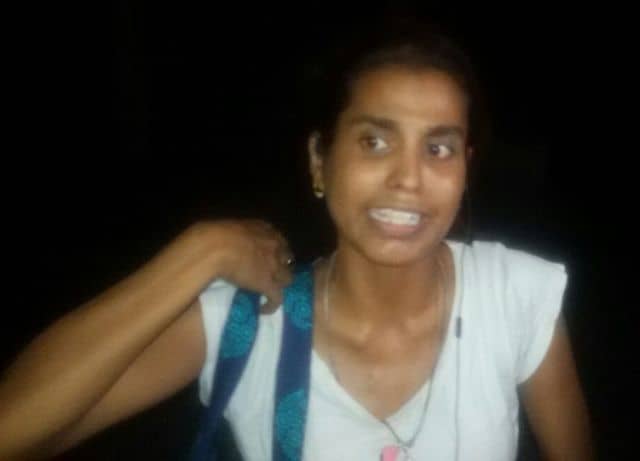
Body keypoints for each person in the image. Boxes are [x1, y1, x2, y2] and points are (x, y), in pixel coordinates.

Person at [0, 21, 593, 461]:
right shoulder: (252, 321)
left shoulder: (513, 295)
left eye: (438, 148)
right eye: (374, 142)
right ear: (319, 159)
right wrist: (199, 252)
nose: (409, 178)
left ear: (465, 169)